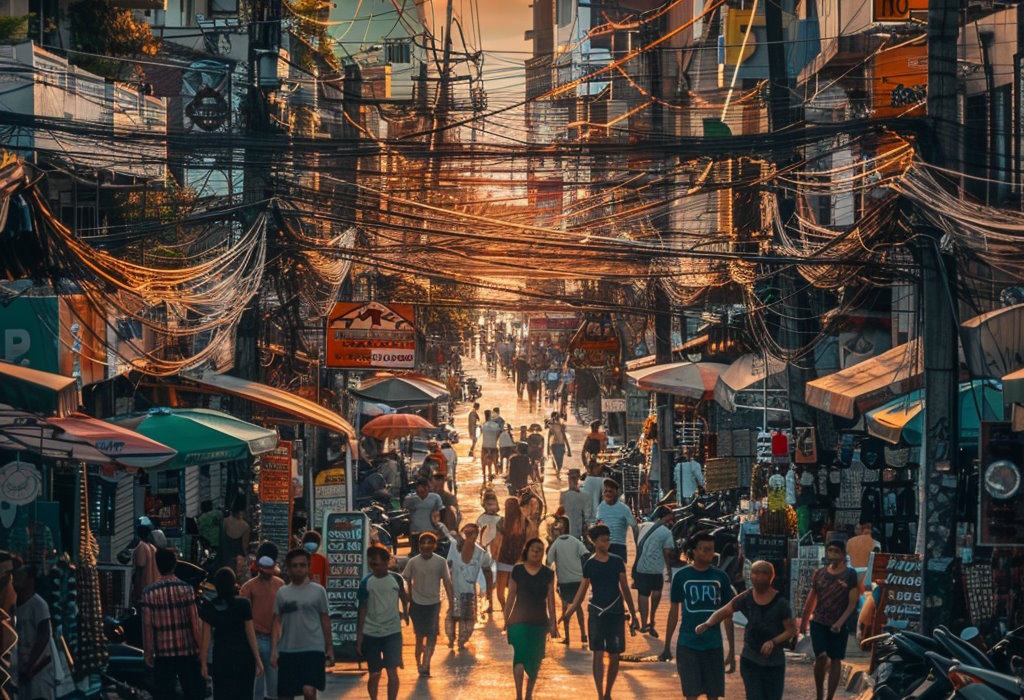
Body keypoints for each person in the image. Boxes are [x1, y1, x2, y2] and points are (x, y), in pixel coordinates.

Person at [696, 561, 797, 700]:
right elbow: (725, 610)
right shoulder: (746, 597)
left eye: (763, 573)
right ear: (750, 576)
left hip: (774, 663)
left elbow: (791, 630)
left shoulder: (781, 603)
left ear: (771, 577)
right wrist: (707, 623)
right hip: (750, 659)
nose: (759, 577)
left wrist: (773, 642)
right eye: (755, 573)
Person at [560, 524, 640, 700]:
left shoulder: (617, 561)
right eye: (603, 540)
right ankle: (599, 694)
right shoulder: (590, 564)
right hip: (596, 612)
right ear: (594, 542)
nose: (607, 543)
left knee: (614, 653)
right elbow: (582, 590)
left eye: (608, 539)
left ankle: (608, 692)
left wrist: (634, 615)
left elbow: (625, 588)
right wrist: (569, 610)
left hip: (616, 611)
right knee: (597, 652)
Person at [659, 531, 736, 700]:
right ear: (694, 551)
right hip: (687, 644)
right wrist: (666, 646)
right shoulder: (681, 576)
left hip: (713, 645)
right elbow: (674, 612)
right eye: (704, 549)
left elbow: (727, 615)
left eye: (711, 550)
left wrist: (731, 650)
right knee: (691, 694)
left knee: (713, 694)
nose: (709, 554)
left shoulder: (721, 578)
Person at [140, 548, 205, 700]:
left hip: (163, 654)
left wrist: (148, 652)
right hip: (187, 651)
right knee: (192, 693)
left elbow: (147, 626)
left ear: (157, 565)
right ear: (174, 565)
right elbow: (194, 623)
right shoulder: (186, 589)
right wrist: (200, 649)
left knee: (164, 694)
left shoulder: (148, 593)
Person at [799, 538, 859, 700]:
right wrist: (804, 622)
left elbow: (852, 603)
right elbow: (812, 599)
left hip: (839, 623)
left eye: (836, 551)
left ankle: (829, 697)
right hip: (819, 621)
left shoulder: (850, 575)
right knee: (821, 657)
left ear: (843, 554)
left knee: (836, 659)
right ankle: (819, 694)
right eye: (830, 551)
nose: (832, 554)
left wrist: (839, 623)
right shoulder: (820, 574)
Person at [271, 548, 333, 700]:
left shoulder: (318, 591)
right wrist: (274, 649)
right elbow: (277, 621)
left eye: (302, 565)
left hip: (313, 649)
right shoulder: (282, 593)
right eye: (295, 565)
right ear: (288, 568)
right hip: (288, 650)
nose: (298, 569)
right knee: (286, 695)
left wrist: (329, 648)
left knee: (309, 691)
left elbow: (325, 619)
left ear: (308, 567)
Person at [504, 538, 557, 700]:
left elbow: (551, 600)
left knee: (536, 660)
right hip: (518, 621)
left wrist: (553, 624)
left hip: (540, 622)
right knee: (519, 655)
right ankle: (519, 695)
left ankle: (528, 694)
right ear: (527, 551)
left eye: (540, 550)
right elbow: (511, 595)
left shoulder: (548, 573)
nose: (536, 552)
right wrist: (506, 619)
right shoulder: (518, 570)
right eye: (533, 549)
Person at [199, 567, 264, 698]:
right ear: (233, 583)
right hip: (243, 657)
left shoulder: (209, 606)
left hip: (222, 657)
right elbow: (250, 634)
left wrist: (203, 662)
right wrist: (258, 659)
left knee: (223, 693)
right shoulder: (243, 604)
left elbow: (205, 637)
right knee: (243, 693)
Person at [357, 544, 409, 700]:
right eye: (372, 564)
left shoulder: (396, 579)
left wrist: (406, 613)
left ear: (387, 562)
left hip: (392, 633)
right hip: (371, 634)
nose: (375, 568)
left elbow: (404, 597)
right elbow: (362, 610)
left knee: (392, 672)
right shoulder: (366, 583)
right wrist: (359, 638)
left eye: (378, 564)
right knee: (375, 673)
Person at [402, 532, 454, 677]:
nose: (426, 546)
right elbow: (404, 580)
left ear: (435, 545)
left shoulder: (440, 562)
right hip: (417, 604)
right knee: (419, 637)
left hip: (434, 604)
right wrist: (406, 597)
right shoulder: (413, 562)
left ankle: (426, 664)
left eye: (429, 543)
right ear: (419, 546)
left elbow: (448, 582)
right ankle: (418, 662)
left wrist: (452, 603)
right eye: (423, 543)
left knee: (432, 635)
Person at [241, 553, 284, 700]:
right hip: (256, 637)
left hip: (275, 637)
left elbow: (280, 617)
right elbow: (244, 618)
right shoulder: (249, 587)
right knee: (257, 687)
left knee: (275, 687)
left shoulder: (280, 585)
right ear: (260, 569)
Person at [445, 523, 494, 649]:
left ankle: (461, 640)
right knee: (453, 615)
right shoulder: (454, 547)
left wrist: (488, 592)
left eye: (472, 534)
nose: (469, 536)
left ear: (476, 535)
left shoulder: (481, 552)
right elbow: (448, 565)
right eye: (467, 533)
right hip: (455, 588)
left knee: (466, 617)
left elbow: (487, 569)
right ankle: (451, 638)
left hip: (468, 591)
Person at [13, 564, 55, 700]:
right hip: (22, 671)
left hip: (38, 671)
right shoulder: (14, 605)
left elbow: (44, 636)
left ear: (30, 580)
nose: (16, 579)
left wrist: (31, 666)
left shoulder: (39, 605)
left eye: (20, 576)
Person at [545, 516, 589, 646]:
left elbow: (548, 561)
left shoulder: (556, 544)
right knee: (578, 607)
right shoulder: (576, 542)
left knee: (565, 608)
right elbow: (585, 554)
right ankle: (583, 635)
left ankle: (568, 637)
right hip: (578, 579)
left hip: (564, 581)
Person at [633, 507, 676, 636]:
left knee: (643, 594)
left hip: (640, 567)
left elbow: (636, 540)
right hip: (656, 569)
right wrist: (669, 569)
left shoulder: (644, 526)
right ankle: (651, 620)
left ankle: (644, 623)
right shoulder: (666, 532)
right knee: (656, 593)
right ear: (665, 517)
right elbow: (668, 552)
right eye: (670, 518)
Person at [492, 497, 528, 611]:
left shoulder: (502, 523)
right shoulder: (525, 523)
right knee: (515, 592)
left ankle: (505, 610)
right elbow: (529, 541)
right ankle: (510, 612)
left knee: (500, 593)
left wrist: (494, 557)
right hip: (519, 561)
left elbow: (496, 541)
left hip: (503, 560)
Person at [595, 479, 638, 563]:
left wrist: (636, 543)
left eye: (610, 491)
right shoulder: (600, 507)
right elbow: (597, 524)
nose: (607, 494)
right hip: (604, 547)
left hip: (619, 547)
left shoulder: (624, 509)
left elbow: (634, 527)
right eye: (605, 491)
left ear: (616, 493)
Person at [403, 478, 442, 556]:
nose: (421, 494)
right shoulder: (410, 499)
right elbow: (405, 511)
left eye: (423, 491)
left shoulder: (435, 498)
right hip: (415, 531)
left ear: (428, 488)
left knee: (433, 553)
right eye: (419, 492)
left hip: (431, 531)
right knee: (415, 554)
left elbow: (440, 512)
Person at [131, 517, 159, 605]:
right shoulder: (153, 547)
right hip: (154, 591)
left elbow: (140, 563)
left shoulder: (141, 546)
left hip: (144, 591)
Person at [559, 469, 591, 539]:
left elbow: (587, 518)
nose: (572, 480)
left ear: (578, 479)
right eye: (571, 478)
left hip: (577, 534)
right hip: (565, 533)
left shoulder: (584, 497)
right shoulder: (563, 495)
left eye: (574, 478)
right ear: (568, 479)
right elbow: (560, 514)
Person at [222, 503, 251, 569]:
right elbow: (244, 545)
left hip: (226, 555)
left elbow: (223, 538)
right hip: (239, 556)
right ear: (242, 512)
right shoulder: (245, 526)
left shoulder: (225, 521)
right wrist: (246, 557)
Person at [581, 459, 605, 528]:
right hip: (597, 520)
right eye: (598, 467)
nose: (600, 469)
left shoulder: (585, 481)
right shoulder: (601, 481)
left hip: (586, 520)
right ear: (594, 469)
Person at [547, 412, 571, 479]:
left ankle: (558, 472)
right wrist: (547, 451)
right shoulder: (551, 426)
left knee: (559, 461)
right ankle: (557, 472)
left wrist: (569, 449)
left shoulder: (561, 426)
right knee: (556, 461)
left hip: (560, 445)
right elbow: (548, 439)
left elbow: (564, 437)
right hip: (555, 445)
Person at [480, 410, 502, 481]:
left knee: (483, 462)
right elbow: (499, 434)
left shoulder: (483, 425)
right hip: (493, 446)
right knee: (495, 461)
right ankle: (496, 473)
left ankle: (484, 475)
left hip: (485, 446)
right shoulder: (496, 426)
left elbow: (481, 432)